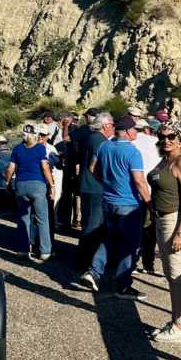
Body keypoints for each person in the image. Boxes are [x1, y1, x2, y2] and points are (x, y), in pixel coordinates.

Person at [81, 116, 153, 300]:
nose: (136, 131)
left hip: (109, 202)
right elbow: (139, 180)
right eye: (135, 129)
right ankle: (123, 286)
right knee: (130, 245)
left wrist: (105, 184)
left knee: (110, 238)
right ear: (128, 131)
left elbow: (92, 168)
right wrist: (149, 203)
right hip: (128, 204)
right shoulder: (132, 151)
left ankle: (94, 271)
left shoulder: (105, 146)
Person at [148, 121, 181, 341]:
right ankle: (177, 321)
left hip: (174, 221)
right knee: (171, 276)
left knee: (177, 275)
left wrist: (180, 233)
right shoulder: (164, 160)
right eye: (162, 136)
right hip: (161, 221)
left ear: (179, 138)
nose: (166, 140)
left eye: (171, 136)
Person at [5, 123, 55, 260]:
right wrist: (51, 184)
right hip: (37, 184)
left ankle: (23, 250)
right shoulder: (39, 148)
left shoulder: (17, 148)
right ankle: (45, 251)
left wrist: (7, 183)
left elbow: (10, 169)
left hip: (21, 185)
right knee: (42, 219)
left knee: (23, 218)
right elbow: (45, 168)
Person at [73, 112, 113, 270]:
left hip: (90, 185)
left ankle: (91, 259)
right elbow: (98, 165)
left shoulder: (93, 138)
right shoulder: (99, 140)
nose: (114, 128)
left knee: (93, 224)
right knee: (93, 225)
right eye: (112, 125)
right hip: (94, 187)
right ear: (105, 126)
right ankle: (83, 261)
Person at [133, 118, 163, 275]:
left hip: (132, 190)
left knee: (132, 228)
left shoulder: (129, 142)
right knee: (150, 229)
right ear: (146, 129)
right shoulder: (154, 142)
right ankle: (148, 264)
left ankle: (130, 263)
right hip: (151, 190)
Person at [38, 123, 63, 253]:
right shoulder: (29, 147)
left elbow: (58, 167)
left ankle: (49, 244)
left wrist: (60, 159)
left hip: (47, 183)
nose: (40, 137)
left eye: (43, 135)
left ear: (47, 136)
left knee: (49, 215)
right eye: (38, 134)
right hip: (36, 184)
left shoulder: (51, 149)